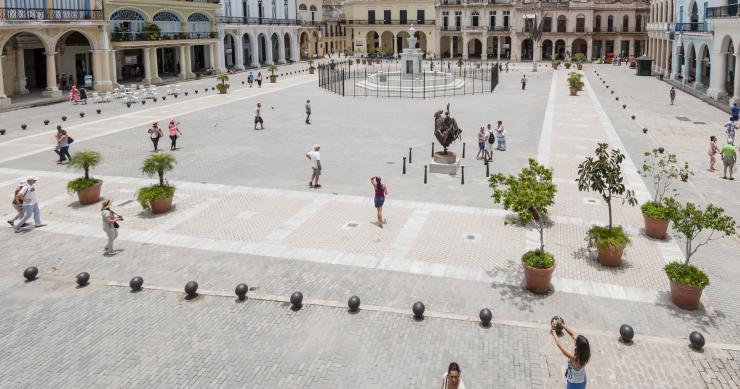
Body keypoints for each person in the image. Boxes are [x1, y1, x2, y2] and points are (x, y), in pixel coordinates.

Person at [551, 317, 590, 389]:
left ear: (578, 346)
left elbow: (560, 345)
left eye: (576, 341)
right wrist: (562, 324)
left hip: (574, 385)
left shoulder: (575, 358)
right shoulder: (586, 352)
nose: (575, 339)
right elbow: (572, 334)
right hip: (582, 379)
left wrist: (553, 332)